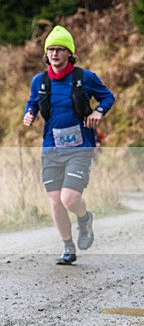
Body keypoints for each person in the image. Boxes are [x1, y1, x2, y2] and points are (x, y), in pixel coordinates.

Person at [23, 25, 114, 265]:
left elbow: (108, 97)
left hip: (80, 147)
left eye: (60, 49)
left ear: (69, 53)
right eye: (51, 49)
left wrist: (99, 112)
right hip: (51, 149)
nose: (54, 54)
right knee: (55, 200)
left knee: (70, 198)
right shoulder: (39, 81)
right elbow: (32, 102)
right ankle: (68, 247)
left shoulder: (85, 78)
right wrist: (29, 114)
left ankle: (84, 219)